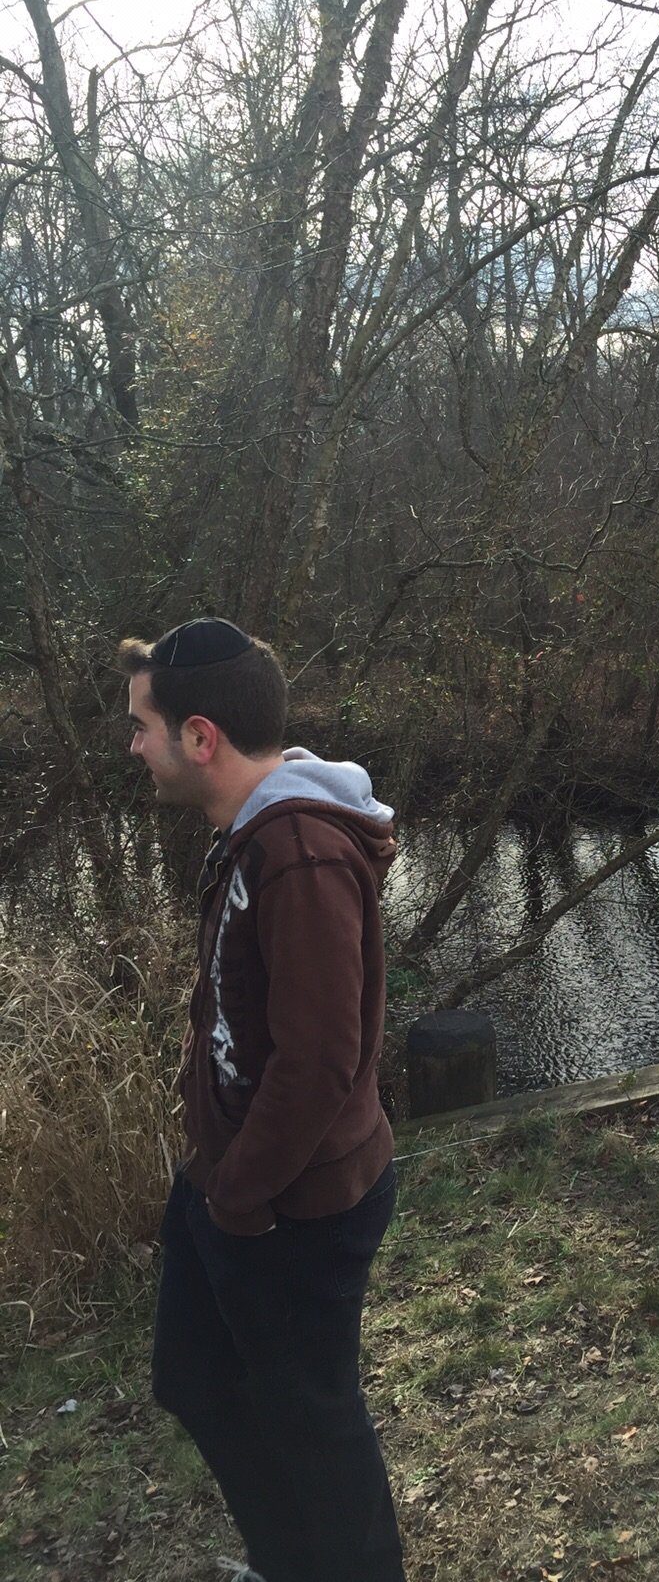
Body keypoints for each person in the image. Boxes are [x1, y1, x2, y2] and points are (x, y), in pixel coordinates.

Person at [119, 617, 406, 1582]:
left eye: (143, 727)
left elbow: (322, 1059)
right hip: (233, 1183)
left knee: (312, 1422)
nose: (134, 748)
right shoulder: (254, 835)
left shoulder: (300, 853)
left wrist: (240, 1194)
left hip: (291, 1205)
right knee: (198, 1381)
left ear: (200, 738)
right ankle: (292, 1561)